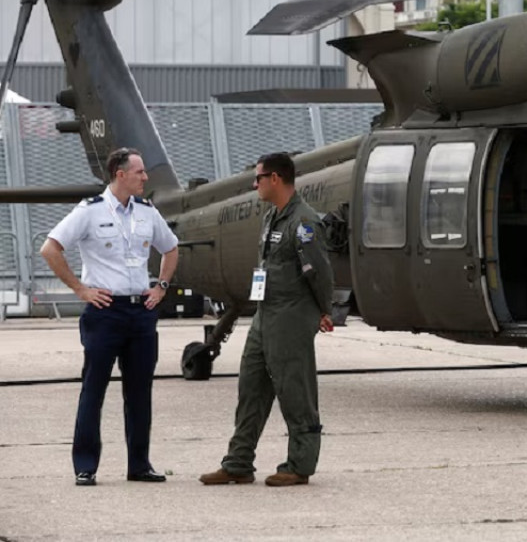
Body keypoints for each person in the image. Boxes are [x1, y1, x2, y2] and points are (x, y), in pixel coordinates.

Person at [39, 147, 179, 486]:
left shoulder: (146, 211)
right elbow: (50, 248)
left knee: (140, 391)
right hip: (105, 312)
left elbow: (171, 247)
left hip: (140, 312)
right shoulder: (90, 211)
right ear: (120, 174)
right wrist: (80, 289)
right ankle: (85, 466)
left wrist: (160, 287)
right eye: (140, 172)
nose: (145, 177)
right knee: (94, 389)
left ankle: (139, 464)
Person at [200, 153, 334, 487]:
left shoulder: (303, 221)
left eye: (258, 178)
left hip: (291, 314)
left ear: (275, 178)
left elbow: (320, 271)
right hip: (266, 312)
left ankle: (300, 463)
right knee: (251, 385)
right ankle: (239, 461)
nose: (254, 184)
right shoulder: (272, 217)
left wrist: (323, 311)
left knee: (294, 389)